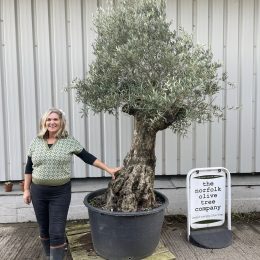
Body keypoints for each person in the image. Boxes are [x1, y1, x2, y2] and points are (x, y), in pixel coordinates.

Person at [23, 108, 121, 260]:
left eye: (55, 119)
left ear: (61, 122)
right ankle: (48, 254)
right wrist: (26, 190)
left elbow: (88, 157)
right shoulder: (35, 142)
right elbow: (29, 168)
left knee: (56, 230)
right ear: (44, 122)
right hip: (38, 192)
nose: (52, 122)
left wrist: (109, 169)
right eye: (48, 119)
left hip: (60, 193)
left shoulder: (69, 141)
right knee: (43, 228)